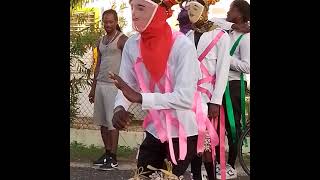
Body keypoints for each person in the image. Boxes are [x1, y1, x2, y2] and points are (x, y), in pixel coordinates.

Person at [108, 0, 202, 178]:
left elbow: (185, 98)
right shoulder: (132, 44)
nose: (134, 14)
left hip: (182, 132)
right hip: (154, 129)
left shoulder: (182, 46)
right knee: (142, 176)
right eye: (132, 7)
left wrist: (141, 98)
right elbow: (126, 86)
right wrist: (119, 107)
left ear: (159, 11)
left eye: (141, 7)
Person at [185, 0, 231, 180]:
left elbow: (223, 71)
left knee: (207, 145)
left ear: (206, 11)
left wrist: (215, 101)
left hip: (208, 97)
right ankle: (196, 177)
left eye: (196, 9)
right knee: (193, 141)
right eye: (189, 9)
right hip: (189, 97)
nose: (191, 13)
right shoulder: (188, 35)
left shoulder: (220, 36)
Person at [88, 9, 128, 170]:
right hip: (100, 85)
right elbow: (98, 66)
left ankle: (113, 157)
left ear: (117, 22)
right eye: (105, 22)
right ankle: (107, 153)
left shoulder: (123, 40)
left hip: (113, 87)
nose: (108, 25)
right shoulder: (101, 41)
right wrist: (93, 88)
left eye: (111, 21)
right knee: (103, 123)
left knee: (112, 124)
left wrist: (126, 85)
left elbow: (131, 62)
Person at [215, 0, 250, 179]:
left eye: (232, 9)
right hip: (219, 85)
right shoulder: (228, 30)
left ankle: (231, 164)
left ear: (241, 12)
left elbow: (248, 66)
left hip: (234, 86)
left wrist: (225, 60)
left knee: (233, 126)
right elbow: (213, 20)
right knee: (217, 126)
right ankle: (218, 163)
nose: (228, 11)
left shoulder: (246, 37)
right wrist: (233, 24)